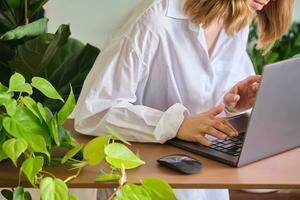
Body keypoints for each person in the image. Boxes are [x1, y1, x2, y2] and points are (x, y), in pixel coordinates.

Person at [74, 0, 292, 199]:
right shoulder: (155, 19)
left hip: (206, 184)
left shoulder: (237, 21)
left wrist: (235, 106)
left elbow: (210, 111)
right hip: (140, 186)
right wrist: (176, 124)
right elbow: (94, 112)